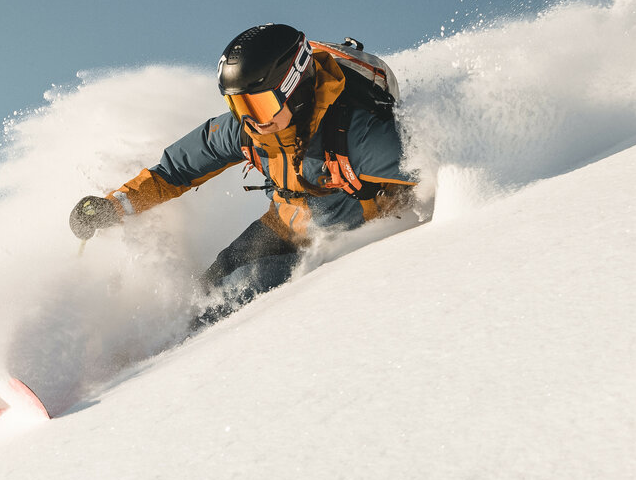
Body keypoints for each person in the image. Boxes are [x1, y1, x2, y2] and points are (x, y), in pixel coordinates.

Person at [68, 24, 417, 325]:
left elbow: (439, 165)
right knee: (208, 290)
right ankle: (146, 355)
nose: (250, 120)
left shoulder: (361, 138)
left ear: (295, 88)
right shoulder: (247, 129)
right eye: (238, 106)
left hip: (351, 239)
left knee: (247, 288)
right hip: (284, 223)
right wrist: (114, 207)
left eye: (259, 105)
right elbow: (174, 171)